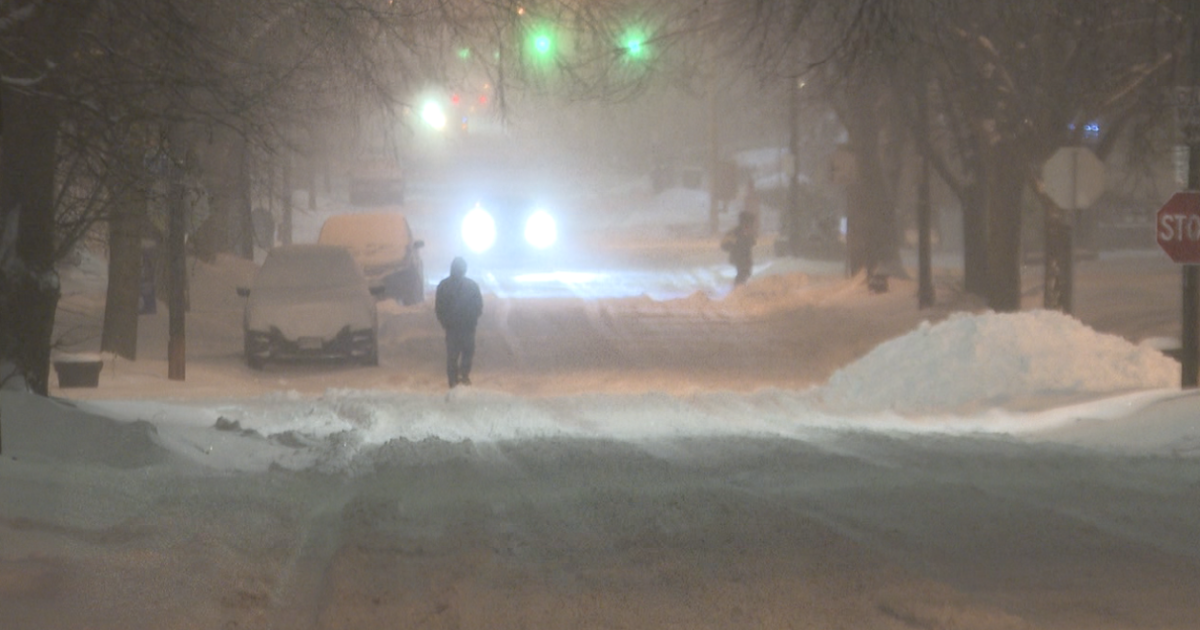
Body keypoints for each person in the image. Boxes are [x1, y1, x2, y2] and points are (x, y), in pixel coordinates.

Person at [435, 257, 483, 387]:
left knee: (453, 355)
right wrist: (473, 319)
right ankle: (464, 375)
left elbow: (439, 307)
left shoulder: (444, 285)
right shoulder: (471, 286)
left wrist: (445, 322)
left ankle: (453, 380)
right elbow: (478, 306)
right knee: (467, 352)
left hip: (452, 327)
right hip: (467, 326)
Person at [722, 211, 757, 286]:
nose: (750, 226)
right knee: (743, 273)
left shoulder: (747, 232)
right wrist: (733, 245)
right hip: (738, 257)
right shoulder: (735, 233)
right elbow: (725, 245)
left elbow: (752, 242)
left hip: (746, 257)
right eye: (749, 223)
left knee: (746, 273)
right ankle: (738, 287)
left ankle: (740, 287)